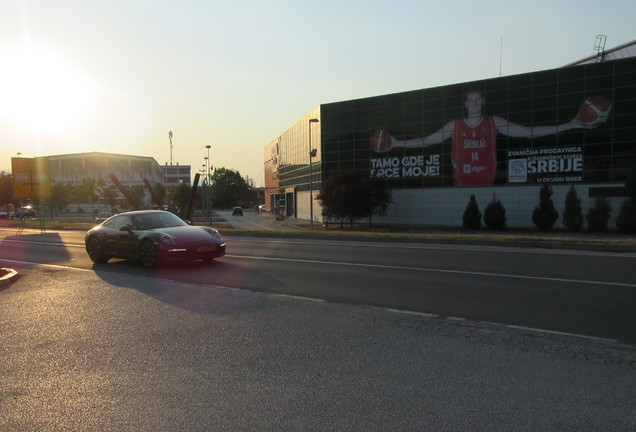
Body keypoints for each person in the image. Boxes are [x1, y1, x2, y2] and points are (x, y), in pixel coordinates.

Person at [372, 89, 595, 187]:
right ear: (465, 104)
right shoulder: (455, 126)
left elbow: (529, 132)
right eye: (472, 100)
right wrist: (397, 143)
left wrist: (568, 125)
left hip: (489, 185)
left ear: (483, 102)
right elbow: (427, 141)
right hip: (461, 185)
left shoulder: (493, 122)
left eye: (479, 100)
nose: (475, 104)